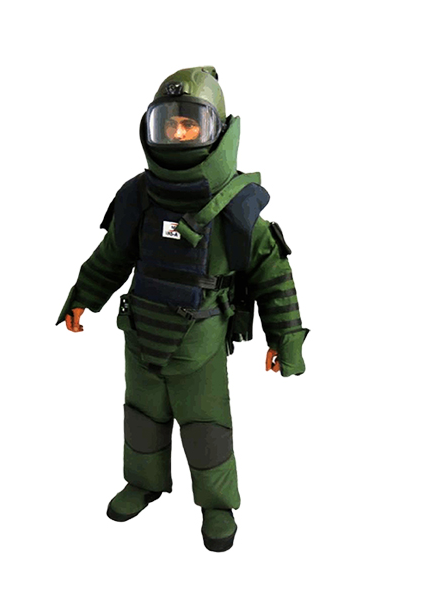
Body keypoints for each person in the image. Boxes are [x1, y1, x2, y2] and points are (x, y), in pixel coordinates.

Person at [57, 66, 308, 552]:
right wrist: (82, 298)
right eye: (169, 123)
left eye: (190, 124)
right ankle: (143, 482)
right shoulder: (138, 196)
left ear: (216, 130)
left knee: (206, 427)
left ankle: (217, 505)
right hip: (141, 334)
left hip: (201, 345)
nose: (177, 133)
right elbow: (112, 256)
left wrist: (287, 340)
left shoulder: (236, 209)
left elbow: (274, 276)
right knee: (142, 416)